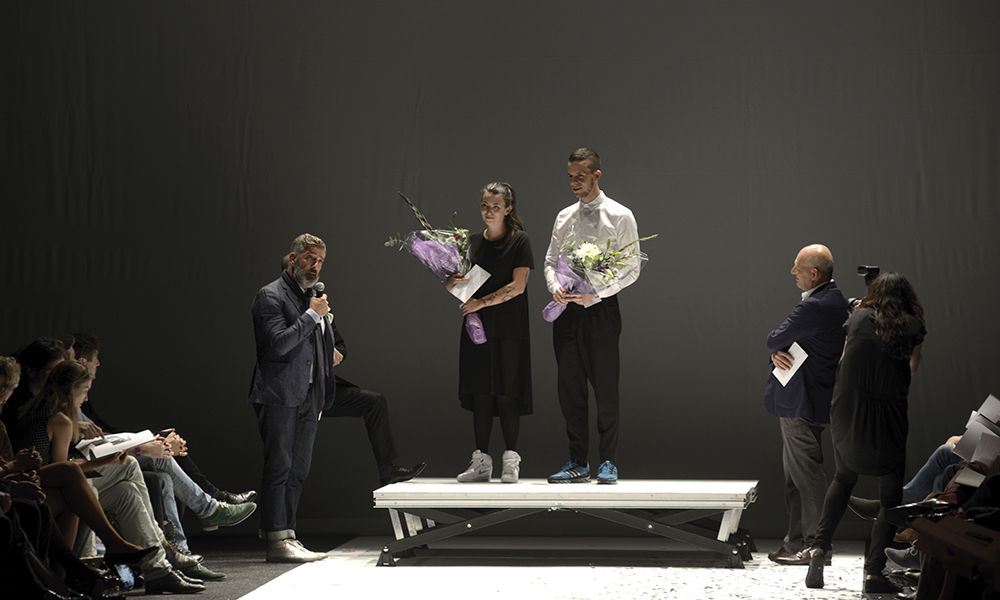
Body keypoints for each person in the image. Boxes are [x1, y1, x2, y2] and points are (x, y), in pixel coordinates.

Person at [804, 271, 926, 594]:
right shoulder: (912, 326)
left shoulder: (857, 319)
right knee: (891, 498)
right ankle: (874, 573)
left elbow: (845, 359)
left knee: (843, 480)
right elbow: (913, 367)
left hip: (847, 411)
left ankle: (818, 548)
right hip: (888, 417)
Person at [276, 256, 425, 489]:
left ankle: (387, 470)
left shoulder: (321, 303)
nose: (310, 272)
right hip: (292, 393)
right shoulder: (278, 304)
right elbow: (282, 346)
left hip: (321, 388)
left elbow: (340, 344)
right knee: (289, 464)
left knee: (374, 402)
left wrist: (336, 352)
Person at [543, 148, 641, 485]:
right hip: (567, 311)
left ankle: (609, 462)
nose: (574, 183)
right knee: (570, 390)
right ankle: (577, 461)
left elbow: (631, 268)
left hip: (601, 311)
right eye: (570, 177)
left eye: (580, 177)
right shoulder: (564, 216)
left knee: (605, 390)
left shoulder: (620, 215)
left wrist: (596, 293)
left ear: (597, 175)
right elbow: (549, 260)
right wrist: (555, 286)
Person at [249, 233, 339, 563]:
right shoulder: (270, 296)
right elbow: (279, 344)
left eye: (320, 261)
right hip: (279, 394)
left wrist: (330, 346)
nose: (314, 265)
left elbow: (314, 345)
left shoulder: (310, 298)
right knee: (279, 467)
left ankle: (288, 535)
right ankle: (275, 540)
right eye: (309, 258)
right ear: (293, 259)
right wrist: (313, 316)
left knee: (298, 471)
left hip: (308, 396)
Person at [764, 244, 849, 565]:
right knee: (796, 476)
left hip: (801, 400)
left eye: (797, 267)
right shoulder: (832, 300)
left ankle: (816, 546)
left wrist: (775, 347)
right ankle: (796, 541)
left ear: (814, 274)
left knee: (808, 475)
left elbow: (774, 339)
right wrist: (777, 351)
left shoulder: (814, 306)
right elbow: (785, 345)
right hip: (806, 398)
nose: (792, 272)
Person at [445, 182, 533, 483]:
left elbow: (518, 286)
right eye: (484, 205)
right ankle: (481, 461)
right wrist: (449, 284)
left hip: (510, 329)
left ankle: (511, 460)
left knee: (507, 394)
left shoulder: (520, 241)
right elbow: (463, 287)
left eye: (495, 206)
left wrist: (480, 301)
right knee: (481, 395)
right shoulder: (470, 242)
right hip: (477, 328)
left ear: (508, 209)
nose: (488, 211)